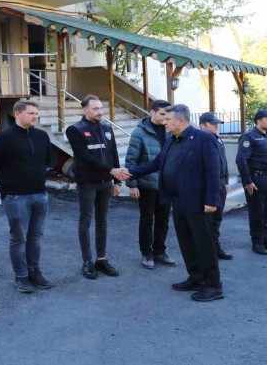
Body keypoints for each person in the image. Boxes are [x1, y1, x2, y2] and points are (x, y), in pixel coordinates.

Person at [127, 104, 223, 302]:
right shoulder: (171, 140)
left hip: (199, 203)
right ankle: (195, 277)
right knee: (186, 242)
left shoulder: (204, 139)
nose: (164, 122)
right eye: (164, 118)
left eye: (168, 119)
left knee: (204, 244)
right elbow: (156, 163)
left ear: (181, 121)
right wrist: (129, 172)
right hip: (178, 201)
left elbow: (214, 171)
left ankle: (213, 286)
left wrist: (211, 200)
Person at [0, 101, 54, 293]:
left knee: (36, 237)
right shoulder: (3, 137)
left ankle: (34, 272)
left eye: (36, 113)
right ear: (17, 114)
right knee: (19, 238)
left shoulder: (41, 136)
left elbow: (49, 161)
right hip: (15, 197)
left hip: (40, 194)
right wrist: (8, 180)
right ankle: (21, 276)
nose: (35, 116)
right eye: (30, 113)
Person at [65, 95, 126, 280]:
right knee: (85, 222)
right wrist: (112, 170)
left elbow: (113, 154)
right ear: (84, 110)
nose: (100, 112)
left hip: (105, 183)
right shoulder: (75, 130)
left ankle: (101, 259)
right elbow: (84, 157)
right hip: (87, 183)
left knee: (102, 221)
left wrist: (117, 181)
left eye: (101, 108)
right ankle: (87, 261)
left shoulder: (107, 128)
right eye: (95, 108)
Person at [124, 99, 177, 269]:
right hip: (147, 185)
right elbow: (131, 160)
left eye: (167, 115)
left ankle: (160, 251)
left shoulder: (170, 131)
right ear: (152, 112)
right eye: (162, 114)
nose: (164, 118)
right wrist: (132, 184)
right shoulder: (139, 133)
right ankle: (146, 253)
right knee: (147, 220)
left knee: (163, 220)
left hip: (165, 185)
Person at [236, 109, 267, 255]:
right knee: (257, 211)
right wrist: (248, 181)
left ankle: (266, 240)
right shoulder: (249, 137)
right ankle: (257, 242)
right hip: (256, 179)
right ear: (259, 120)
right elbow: (241, 160)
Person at [198, 111, 233, 260]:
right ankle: (206, 251)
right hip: (208, 185)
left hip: (220, 184)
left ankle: (215, 247)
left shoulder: (218, 140)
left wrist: (226, 181)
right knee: (207, 219)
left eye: (217, 123)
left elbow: (223, 161)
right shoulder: (199, 141)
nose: (216, 126)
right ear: (202, 125)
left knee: (217, 218)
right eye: (213, 124)